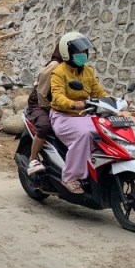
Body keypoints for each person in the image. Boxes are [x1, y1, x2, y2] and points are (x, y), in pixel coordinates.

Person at [48, 32, 108, 194]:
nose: (83, 55)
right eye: (78, 53)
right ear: (68, 54)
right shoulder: (59, 72)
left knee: (105, 130)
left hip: (84, 114)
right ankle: (70, 177)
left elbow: (99, 92)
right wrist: (74, 104)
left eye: (84, 52)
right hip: (63, 116)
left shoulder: (88, 71)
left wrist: (115, 102)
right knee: (84, 134)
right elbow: (58, 96)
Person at [24, 40, 64, 175]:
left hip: (62, 104)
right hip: (41, 103)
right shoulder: (55, 66)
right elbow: (42, 94)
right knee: (45, 125)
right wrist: (52, 109)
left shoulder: (78, 68)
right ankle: (33, 159)